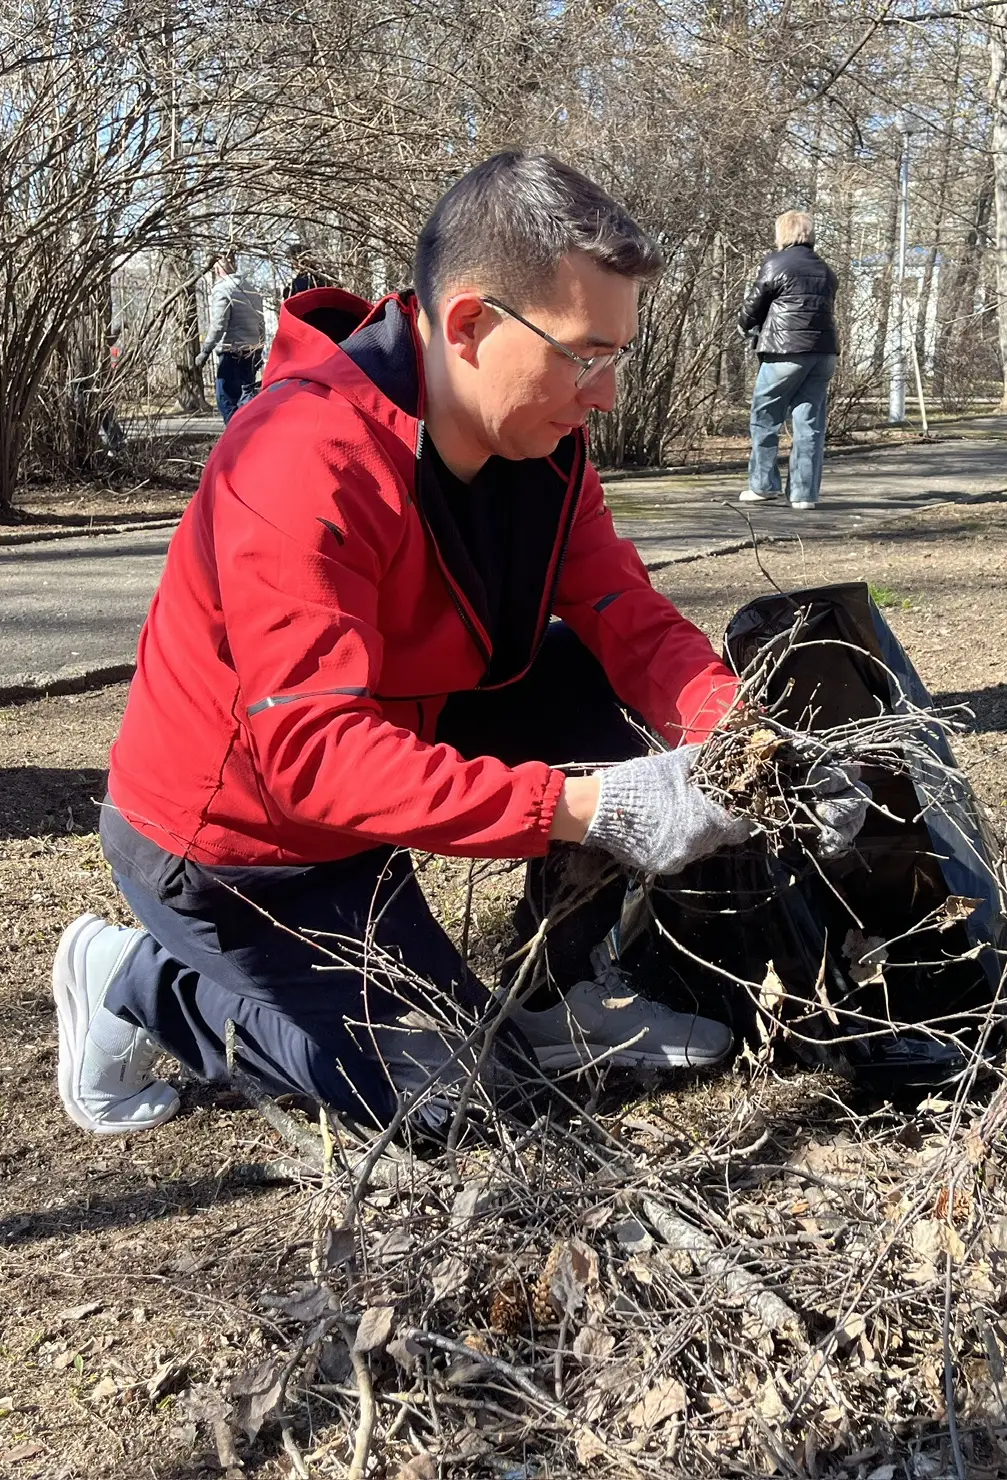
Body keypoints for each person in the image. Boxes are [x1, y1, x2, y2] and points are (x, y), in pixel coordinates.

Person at [51, 152, 859, 1141]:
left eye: (617, 357)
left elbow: (622, 610)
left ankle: (546, 991)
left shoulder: (542, 444)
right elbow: (310, 757)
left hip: (373, 771)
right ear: (473, 324)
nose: (603, 395)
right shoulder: (302, 457)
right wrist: (591, 808)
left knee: (581, 684)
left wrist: (746, 744)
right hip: (238, 845)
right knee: (455, 1104)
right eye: (585, 355)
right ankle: (136, 980)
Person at [738, 211, 840, 511]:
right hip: (823, 353)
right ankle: (804, 494)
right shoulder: (826, 270)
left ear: (783, 232)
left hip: (785, 351)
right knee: (809, 423)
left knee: (765, 415)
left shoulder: (776, 263)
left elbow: (754, 304)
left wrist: (744, 324)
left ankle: (763, 485)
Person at [196, 254, 268, 424]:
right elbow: (261, 322)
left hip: (232, 352)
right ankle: (253, 440)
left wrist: (205, 351)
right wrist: (259, 348)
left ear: (217, 268)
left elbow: (219, 324)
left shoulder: (223, 289)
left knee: (227, 401)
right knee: (246, 400)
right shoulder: (251, 289)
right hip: (252, 352)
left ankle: (236, 444)